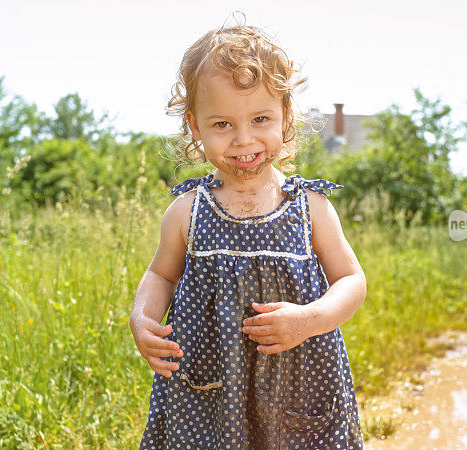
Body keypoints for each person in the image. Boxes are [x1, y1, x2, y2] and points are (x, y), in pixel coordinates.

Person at [129, 17, 366, 449]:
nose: (243, 139)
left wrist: (310, 320)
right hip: (210, 392)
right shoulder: (186, 212)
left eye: (260, 118)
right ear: (195, 126)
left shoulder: (310, 208)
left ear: (285, 117)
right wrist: (141, 318)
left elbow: (352, 281)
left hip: (299, 382)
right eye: (221, 124)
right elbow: (161, 275)